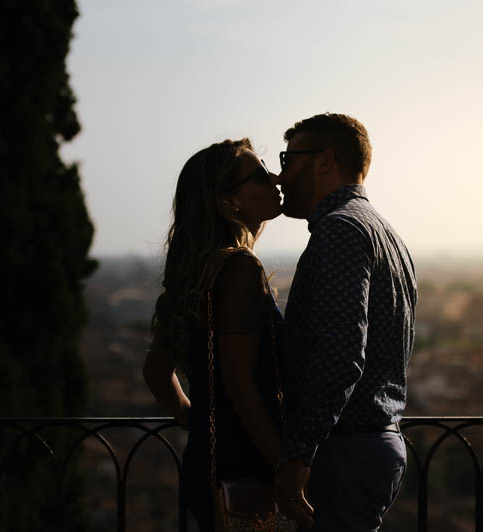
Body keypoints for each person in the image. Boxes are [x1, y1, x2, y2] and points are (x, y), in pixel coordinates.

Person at [273, 113, 417, 531]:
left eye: (288, 160)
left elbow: (341, 356)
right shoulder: (387, 234)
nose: (280, 178)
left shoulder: (339, 230)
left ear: (324, 161)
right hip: (375, 441)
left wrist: (299, 455)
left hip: (343, 450)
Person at [143, 139, 294, 531]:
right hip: (250, 467)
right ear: (229, 202)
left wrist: (197, 416)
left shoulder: (198, 275)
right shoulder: (240, 268)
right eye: (260, 175)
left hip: (209, 463)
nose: (275, 178)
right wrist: (286, 467)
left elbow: (156, 372)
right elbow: (239, 381)